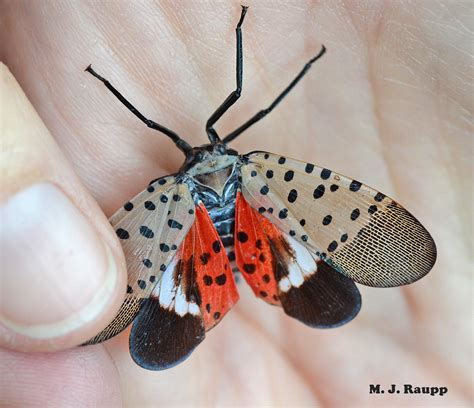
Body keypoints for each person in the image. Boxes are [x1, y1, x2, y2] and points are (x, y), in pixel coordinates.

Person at [0, 2, 471, 406]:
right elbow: (233, 104)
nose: (207, 152)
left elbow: (208, 110)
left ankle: (217, 286)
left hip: (220, 236)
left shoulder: (186, 185)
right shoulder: (240, 167)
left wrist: (258, 37)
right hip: (242, 228)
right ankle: (252, 277)